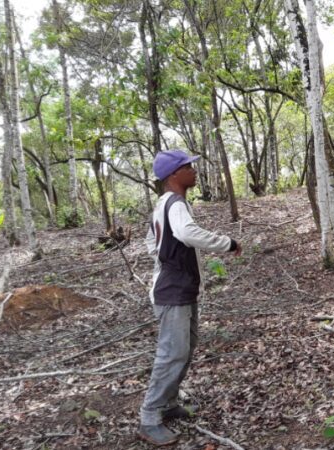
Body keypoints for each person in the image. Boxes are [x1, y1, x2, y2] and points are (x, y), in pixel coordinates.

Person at [139, 150, 242, 446]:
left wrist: (165, 260)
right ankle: (149, 418)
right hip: (172, 291)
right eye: (188, 167)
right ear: (174, 175)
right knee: (172, 353)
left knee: (184, 349)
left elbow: (151, 242)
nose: (194, 171)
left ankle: (168, 403)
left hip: (179, 287)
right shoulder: (176, 204)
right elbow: (186, 233)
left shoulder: (163, 204)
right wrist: (228, 243)